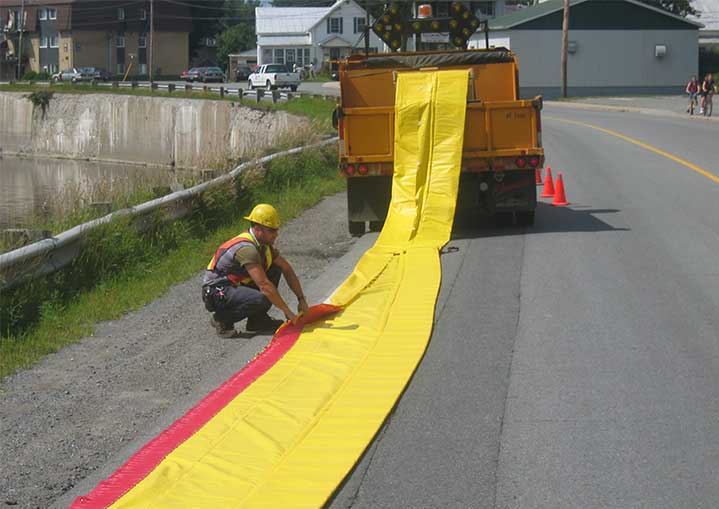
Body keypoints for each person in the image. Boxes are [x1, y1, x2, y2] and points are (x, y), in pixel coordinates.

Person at [202, 203, 309, 338]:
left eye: (276, 230)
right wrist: (288, 312)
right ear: (258, 229)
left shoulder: (264, 246)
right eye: (272, 230)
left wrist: (301, 299)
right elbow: (264, 285)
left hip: (235, 284)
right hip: (217, 291)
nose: (276, 234)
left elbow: (287, 269)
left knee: (275, 268)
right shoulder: (247, 249)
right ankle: (222, 319)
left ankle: (257, 321)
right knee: (261, 297)